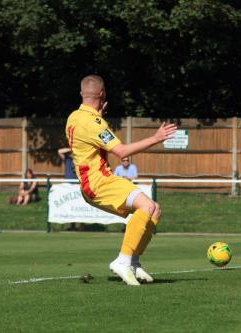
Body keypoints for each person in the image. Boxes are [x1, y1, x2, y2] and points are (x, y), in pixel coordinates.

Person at [65, 74, 177, 286]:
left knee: (154, 209)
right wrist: (157, 138)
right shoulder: (94, 122)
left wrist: (99, 117)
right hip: (99, 181)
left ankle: (133, 262)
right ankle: (123, 261)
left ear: (81, 94)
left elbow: (87, 147)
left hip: (92, 183)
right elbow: (122, 150)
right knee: (146, 206)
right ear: (102, 93)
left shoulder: (73, 117)